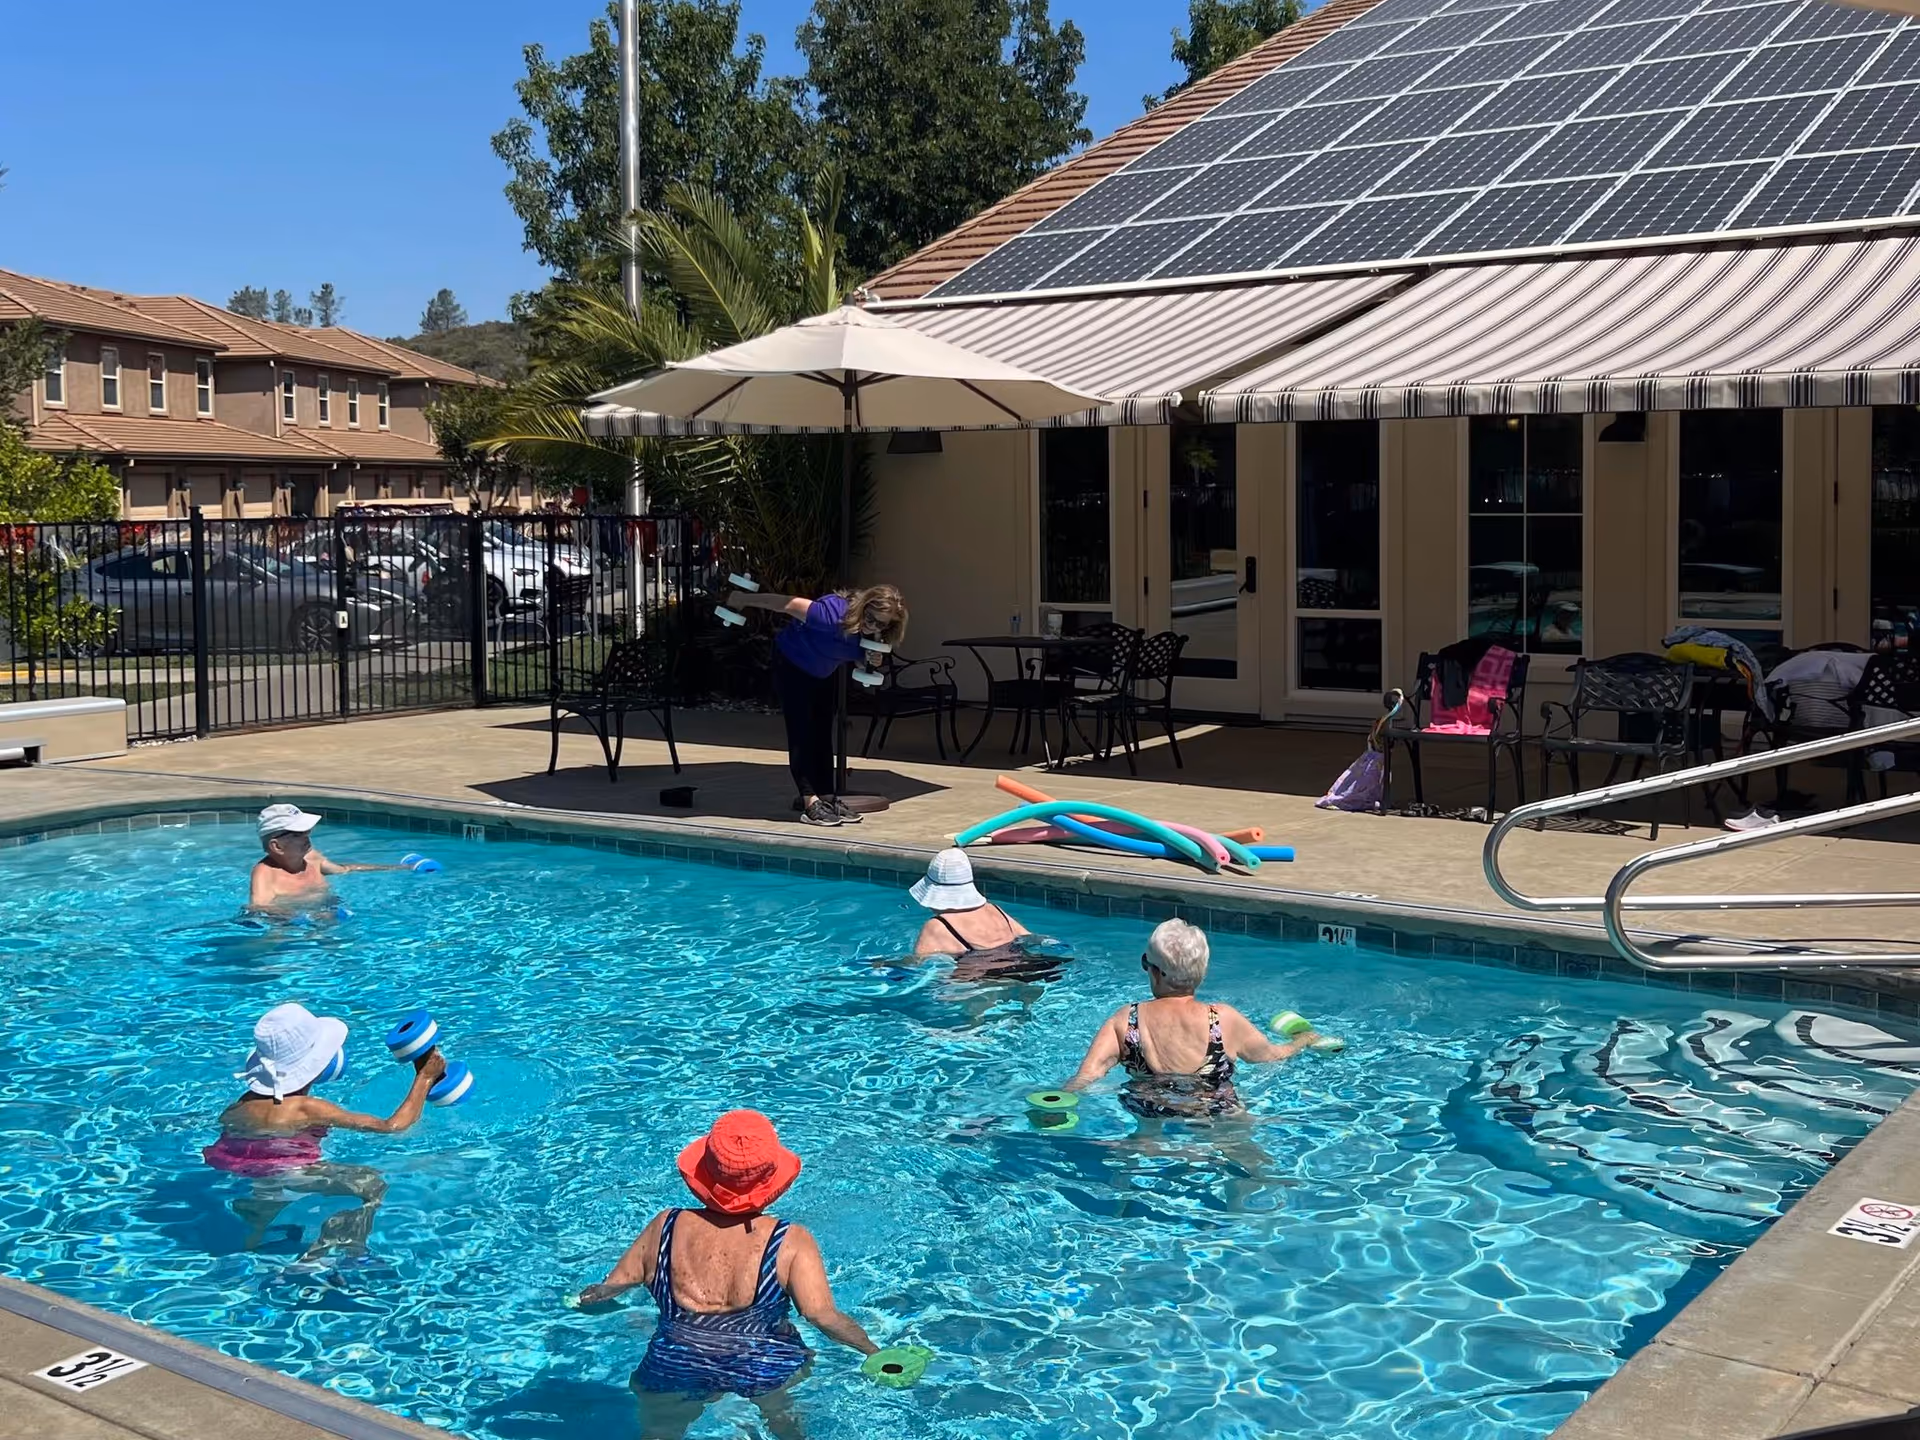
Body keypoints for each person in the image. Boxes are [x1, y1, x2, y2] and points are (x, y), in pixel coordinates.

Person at [576, 1110, 879, 1438]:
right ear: (771, 1180)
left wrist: (587, 1298)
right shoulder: (790, 1241)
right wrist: (874, 1352)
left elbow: (615, 1284)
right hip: (763, 1363)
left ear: (704, 1173)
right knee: (784, 1423)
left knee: (658, 1432)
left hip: (676, 1361)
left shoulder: (665, 1226)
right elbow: (821, 1315)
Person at [204, 1002, 446, 1256]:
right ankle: (337, 1246)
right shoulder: (308, 1108)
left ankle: (249, 1251)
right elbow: (393, 1127)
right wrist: (425, 1078)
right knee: (372, 1184)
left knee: (264, 1206)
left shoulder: (241, 1104)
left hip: (242, 1169)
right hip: (292, 1170)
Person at [1061, 919, 1336, 1119]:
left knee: (1141, 1145)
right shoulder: (1224, 1019)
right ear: (1201, 973)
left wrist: (1057, 1103)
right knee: (1247, 1156)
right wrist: (1304, 1039)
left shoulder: (1125, 1020)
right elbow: (1272, 1056)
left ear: (1155, 972)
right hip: (1215, 1107)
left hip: (1148, 1108)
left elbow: (1088, 1076)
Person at [726, 584, 909, 828]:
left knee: (822, 733)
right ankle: (809, 801)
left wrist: (868, 660)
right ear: (863, 607)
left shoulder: (872, 637)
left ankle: (827, 797)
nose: (874, 626)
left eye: (882, 624)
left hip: (822, 672)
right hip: (791, 664)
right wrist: (742, 598)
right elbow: (782, 602)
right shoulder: (828, 615)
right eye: (871, 618)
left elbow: (851, 654)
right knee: (801, 732)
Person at [249, 803, 413, 910]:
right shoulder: (266, 873)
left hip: (331, 913)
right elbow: (259, 908)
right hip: (293, 928)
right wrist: (301, 918)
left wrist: (401, 867)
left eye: (307, 831)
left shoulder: (312, 858)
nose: (307, 837)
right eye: (298, 834)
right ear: (276, 846)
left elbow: (346, 869)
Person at [910, 848, 1030, 957]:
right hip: (1030, 962)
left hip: (987, 977)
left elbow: (918, 963)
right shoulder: (994, 909)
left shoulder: (937, 925)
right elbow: (1028, 937)